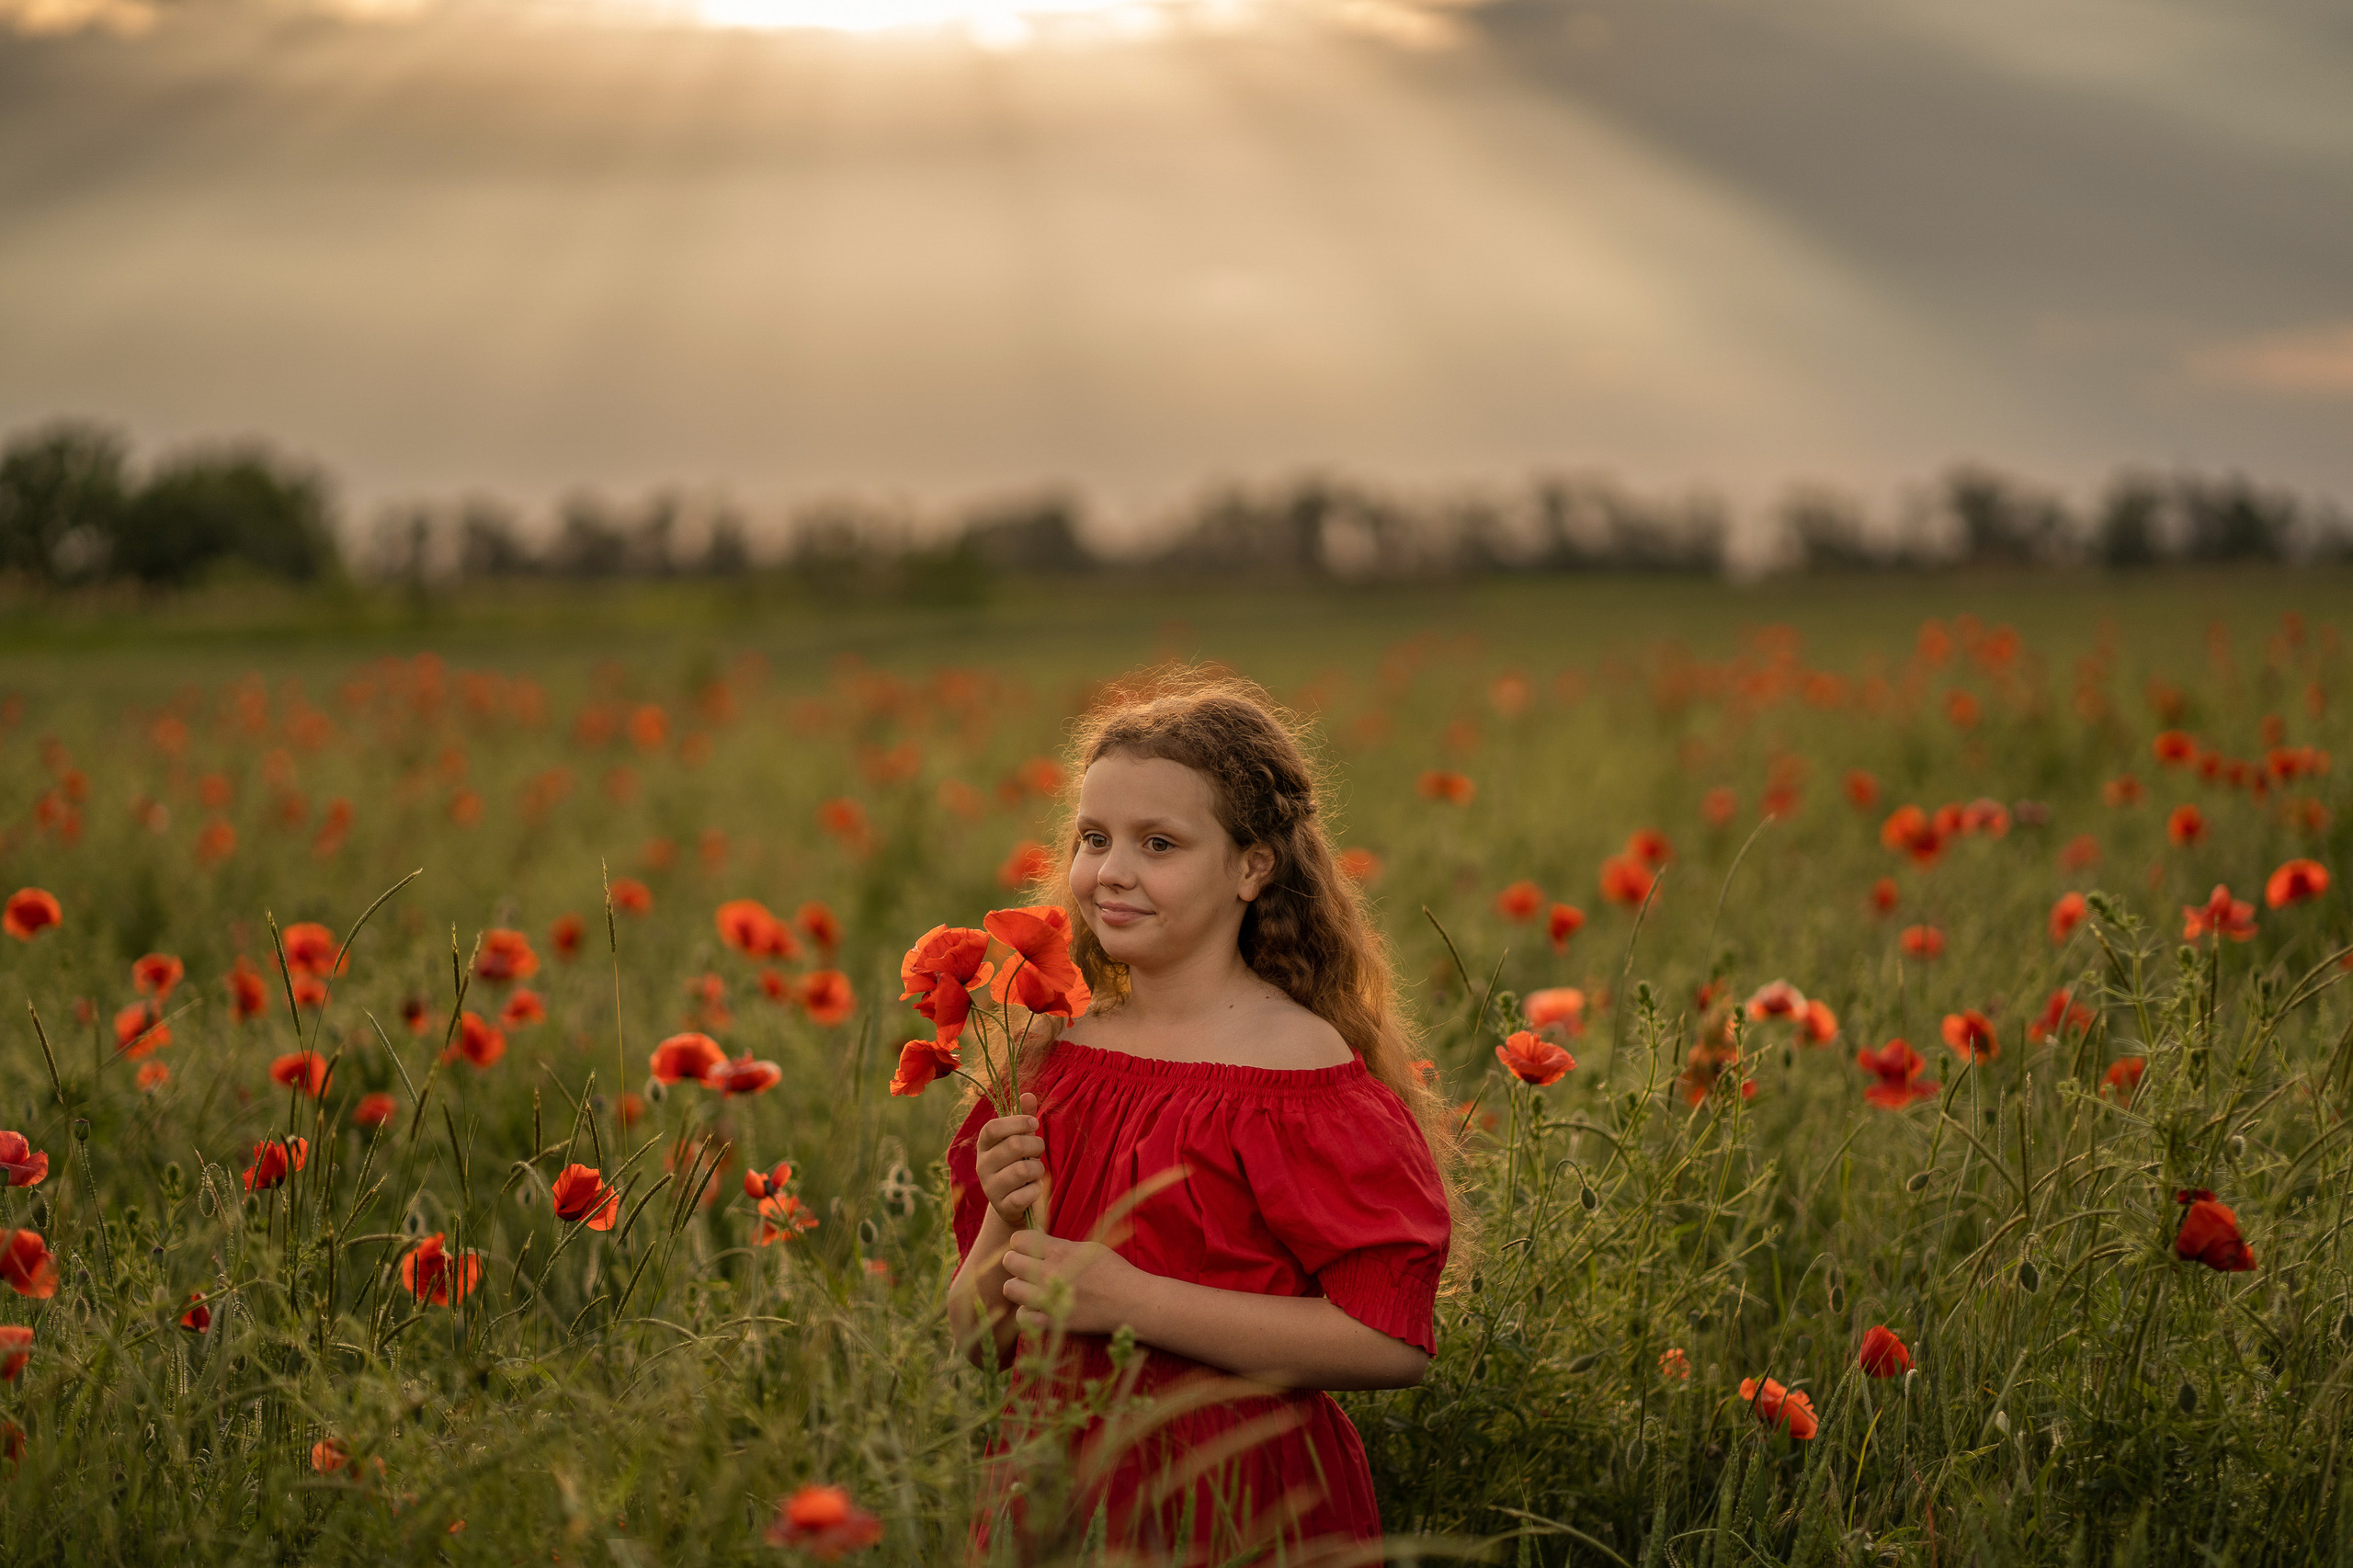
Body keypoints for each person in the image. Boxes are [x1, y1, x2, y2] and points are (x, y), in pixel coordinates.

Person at [945, 671, 1455, 1562]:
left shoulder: (1300, 1070)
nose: (1112, 872)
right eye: (1095, 837)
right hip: (1058, 1500)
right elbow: (975, 1336)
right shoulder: (1049, 1054)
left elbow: (1387, 1338)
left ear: (1253, 864)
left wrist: (1128, 1298)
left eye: (1160, 843)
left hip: (1244, 1508)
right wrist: (1000, 1212)